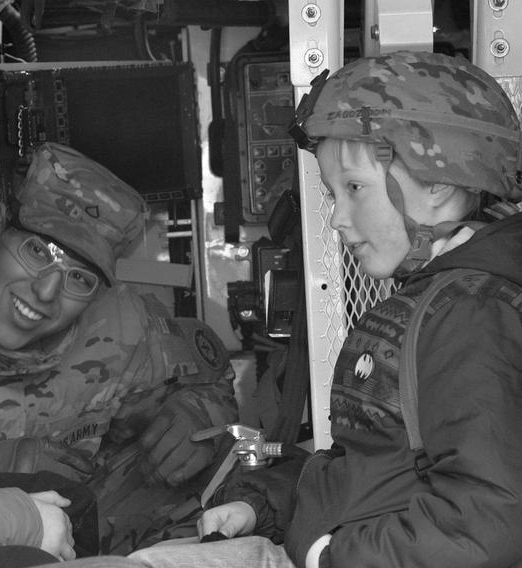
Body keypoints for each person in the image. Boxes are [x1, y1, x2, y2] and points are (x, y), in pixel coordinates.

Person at [128, 50, 522, 568]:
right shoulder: (441, 302)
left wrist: (330, 556)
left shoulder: (469, 315)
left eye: (354, 189)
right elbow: (370, 471)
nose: (336, 218)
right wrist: (260, 503)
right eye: (333, 194)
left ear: (439, 181)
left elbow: (488, 523)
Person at [0, 141, 239, 556]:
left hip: (70, 542)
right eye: (37, 251)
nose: (45, 292)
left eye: (78, 278)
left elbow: (212, 379)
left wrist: (199, 417)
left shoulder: (121, 327)